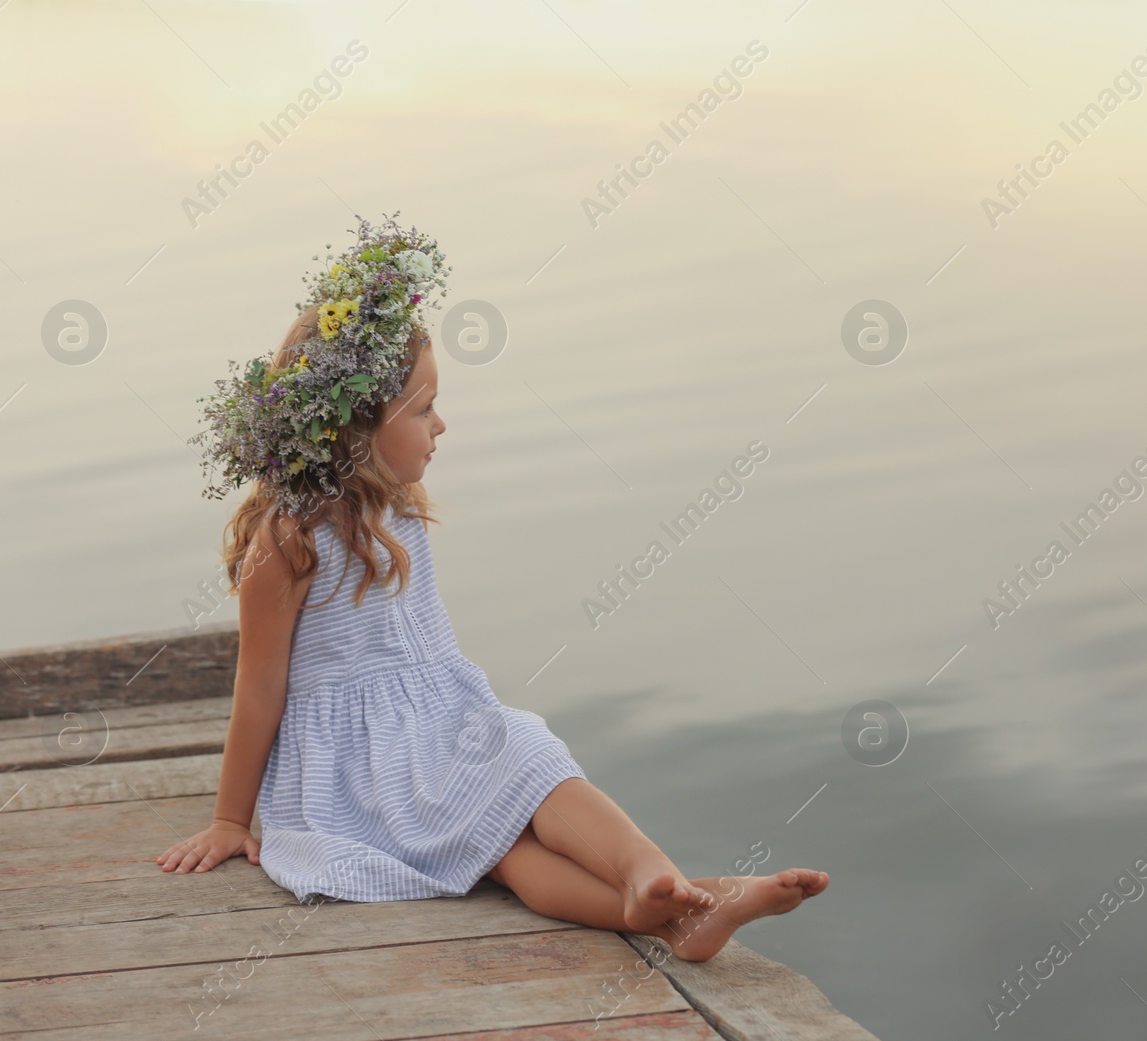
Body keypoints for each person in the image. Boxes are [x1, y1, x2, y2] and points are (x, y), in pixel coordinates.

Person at [156, 215, 827, 961]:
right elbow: (258, 688)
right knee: (510, 814)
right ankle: (663, 898)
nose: (441, 425)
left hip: (444, 724)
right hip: (363, 766)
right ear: (354, 428)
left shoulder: (396, 510)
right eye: (422, 409)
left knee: (523, 796)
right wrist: (229, 818)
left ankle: (660, 888)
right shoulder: (285, 541)